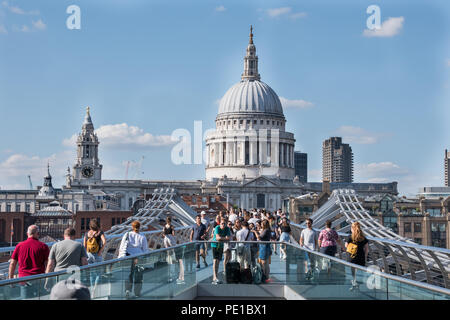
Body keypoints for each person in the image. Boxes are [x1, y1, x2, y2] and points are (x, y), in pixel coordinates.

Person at [9, 225, 50, 299]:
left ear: (27, 234)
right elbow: (48, 265)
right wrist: (47, 280)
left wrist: (10, 279)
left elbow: (12, 263)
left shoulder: (19, 246)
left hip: (23, 279)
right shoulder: (43, 246)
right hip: (39, 278)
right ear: (37, 233)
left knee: (25, 297)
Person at [118, 220, 149, 298]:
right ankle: (137, 293)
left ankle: (128, 290)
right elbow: (145, 249)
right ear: (139, 227)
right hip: (139, 257)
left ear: (132, 227)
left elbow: (122, 246)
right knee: (139, 275)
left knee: (129, 274)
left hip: (129, 256)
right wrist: (146, 259)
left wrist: (121, 257)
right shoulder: (142, 236)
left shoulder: (127, 234)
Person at [83, 219, 106, 296]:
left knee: (91, 274)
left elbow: (84, 245)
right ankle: (95, 290)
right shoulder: (100, 232)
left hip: (89, 255)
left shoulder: (87, 233)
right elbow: (104, 242)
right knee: (98, 273)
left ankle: (92, 290)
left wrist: (87, 254)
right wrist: (100, 251)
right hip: (97, 255)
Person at [345, 222, 369, 291]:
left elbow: (346, 245)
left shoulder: (350, 236)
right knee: (359, 272)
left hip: (352, 257)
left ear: (352, 228)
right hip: (361, 257)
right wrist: (365, 256)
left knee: (352, 272)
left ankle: (353, 284)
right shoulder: (363, 237)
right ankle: (357, 284)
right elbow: (366, 249)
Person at [163, 217, 185, 284]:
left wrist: (166, 233)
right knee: (173, 250)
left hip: (166, 240)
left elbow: (163, 234)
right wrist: (172, 230)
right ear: (170, 221)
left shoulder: (164, 226)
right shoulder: (172, 226)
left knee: (168, 251)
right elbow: (173, 234)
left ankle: (169, 258)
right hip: (170, 239)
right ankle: (173, 259)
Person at [210, 217, 231, 284]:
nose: (223, 225)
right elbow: (217, 238)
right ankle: (214, 277)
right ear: (220, 223)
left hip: (221, 245)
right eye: (222, 224)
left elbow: (228, 238)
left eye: (224, 224)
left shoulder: (227, 229)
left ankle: (216, 276)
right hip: (215, 245)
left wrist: (222, 238)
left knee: (218, 261)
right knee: (215, 260)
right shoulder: (217, 228)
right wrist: (224, 238)